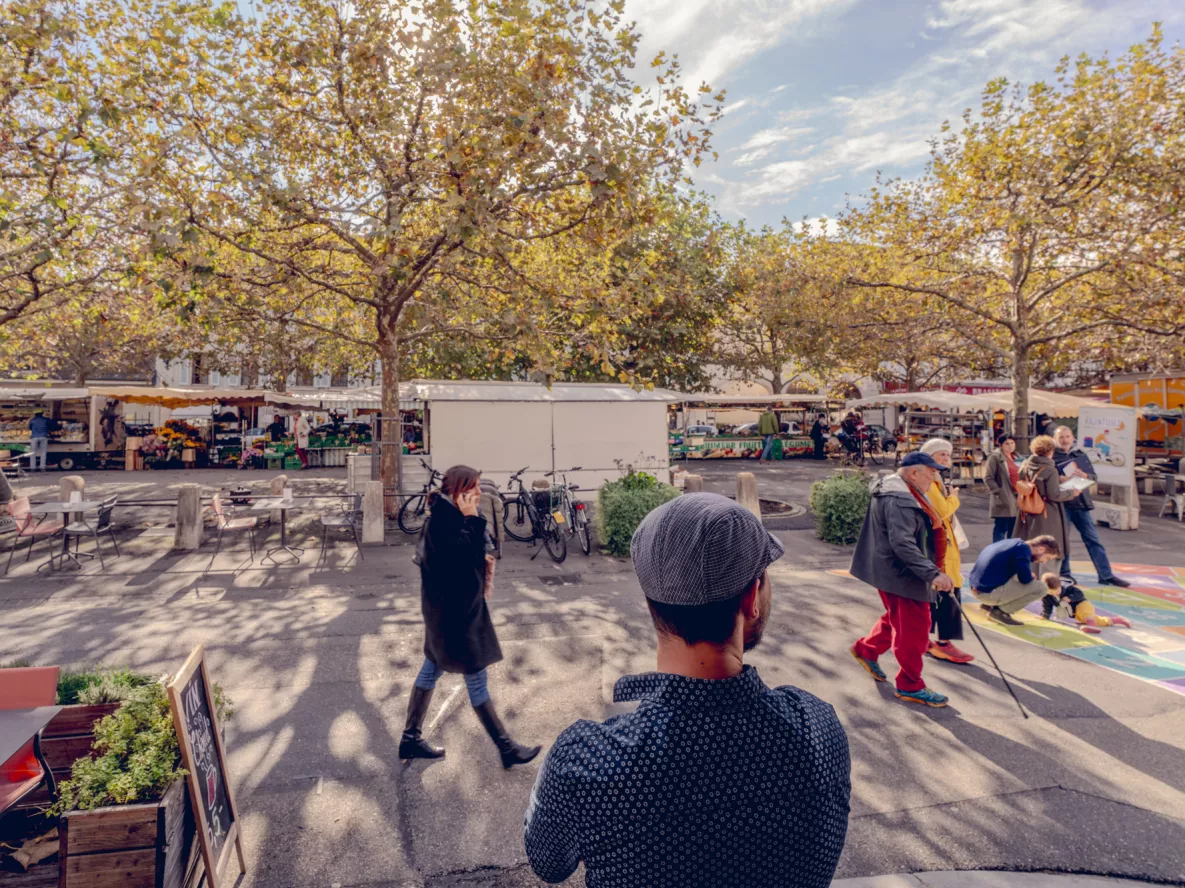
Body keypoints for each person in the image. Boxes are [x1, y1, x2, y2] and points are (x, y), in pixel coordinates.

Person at [524, 493, 850, 886]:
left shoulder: (589, 759)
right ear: (752, 599)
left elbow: (548, 863)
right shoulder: (817, 727)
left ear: (650, 604)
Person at [399, 465, 540, 768]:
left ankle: (410, 739)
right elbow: (458, 564)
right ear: (456, 491)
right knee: (476, 679)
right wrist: (473, 520)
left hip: (448, 614)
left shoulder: (450, 515)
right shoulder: (442, 520)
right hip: (456, 618)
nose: (478, 492)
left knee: (431, 667)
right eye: (472, 487)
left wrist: (472, 519)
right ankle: (506, 749)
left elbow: (470, 552)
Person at [850, 452, 955, 708]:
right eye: (931, 472)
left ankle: (867, 650)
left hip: (891, 571)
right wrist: (933, 573)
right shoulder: (900, 499)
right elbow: (903, 544)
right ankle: (910, 684)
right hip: (903, 574)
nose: (935, 477)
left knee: (898, 617)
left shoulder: (897, 490)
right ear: (914, 473)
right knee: (915, 629)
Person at [1052, 425, 1131, 588]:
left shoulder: (1080, 455)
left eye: (1067, 436)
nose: (1065, 440)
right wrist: (1058, 478)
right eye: (1061, 437)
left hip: (1081, 503)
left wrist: (1085, 475)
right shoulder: (1051, 457)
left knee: (1093, 540)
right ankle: (1065, 574)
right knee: (1063, 541)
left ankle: (1106, 575)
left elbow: (1093, 477)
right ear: (1055, 439)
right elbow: (1044, 480)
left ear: (1072, 438)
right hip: (1062, 503)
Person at [918, 439, 974, 665]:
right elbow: (942, 510)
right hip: (939, 547)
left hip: (943, 545)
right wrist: (954, 498)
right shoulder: (931, 483)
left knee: (941, 593)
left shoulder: (937, 481)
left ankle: (931, 640)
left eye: (947, 455)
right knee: (947, 592)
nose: (945, 459)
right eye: (941, 455)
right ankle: (942, 642)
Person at [1013, 434, 1082, 567]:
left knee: (1029, 544)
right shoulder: (1050, 470)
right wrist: (1071, 492)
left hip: (1027, 509)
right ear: (1050, 451)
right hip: (1046, 512)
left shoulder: (1026, 465)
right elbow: (1053, 495)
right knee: (1046, 548)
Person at [968, 535, 1062, 625]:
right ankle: (1000, 612)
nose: (1044, 562)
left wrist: (1026, 574)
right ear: (1041, 549)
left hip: (976, 588)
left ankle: (987, 605)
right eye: (1047, 558)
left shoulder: (1014, 543)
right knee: (1042, 588)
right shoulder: (1023, 550)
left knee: (1016, 574)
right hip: (986, 594)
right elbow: (1025, 579)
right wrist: (1028, 576)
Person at [1041, 582, 1132, 632]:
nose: (1056, 593)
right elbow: (1047, 606)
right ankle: (1117, 620)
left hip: (1083, 604)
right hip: (1075, 613)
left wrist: (1070, 598)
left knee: (1087, 615)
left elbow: (1080, 594)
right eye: (1052, 592)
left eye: (1057, 590)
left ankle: (1092, 627)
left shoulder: (1068, 588)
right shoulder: (1047, 597)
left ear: (1060, 585)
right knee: (1097, 620)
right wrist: (1045, 615)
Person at [984, 434, 1019, 543]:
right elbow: (988, 477)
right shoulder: (995, 457)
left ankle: (1010, 552)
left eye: (1012, 443)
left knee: (1014, 529)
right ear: (1001, 445)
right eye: (1007, 444)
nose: (1010, 446)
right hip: (1004, 496)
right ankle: (998, 552)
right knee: (1001, 528)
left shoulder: (1017, 457)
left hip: (1017, 496)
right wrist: (998, 492)